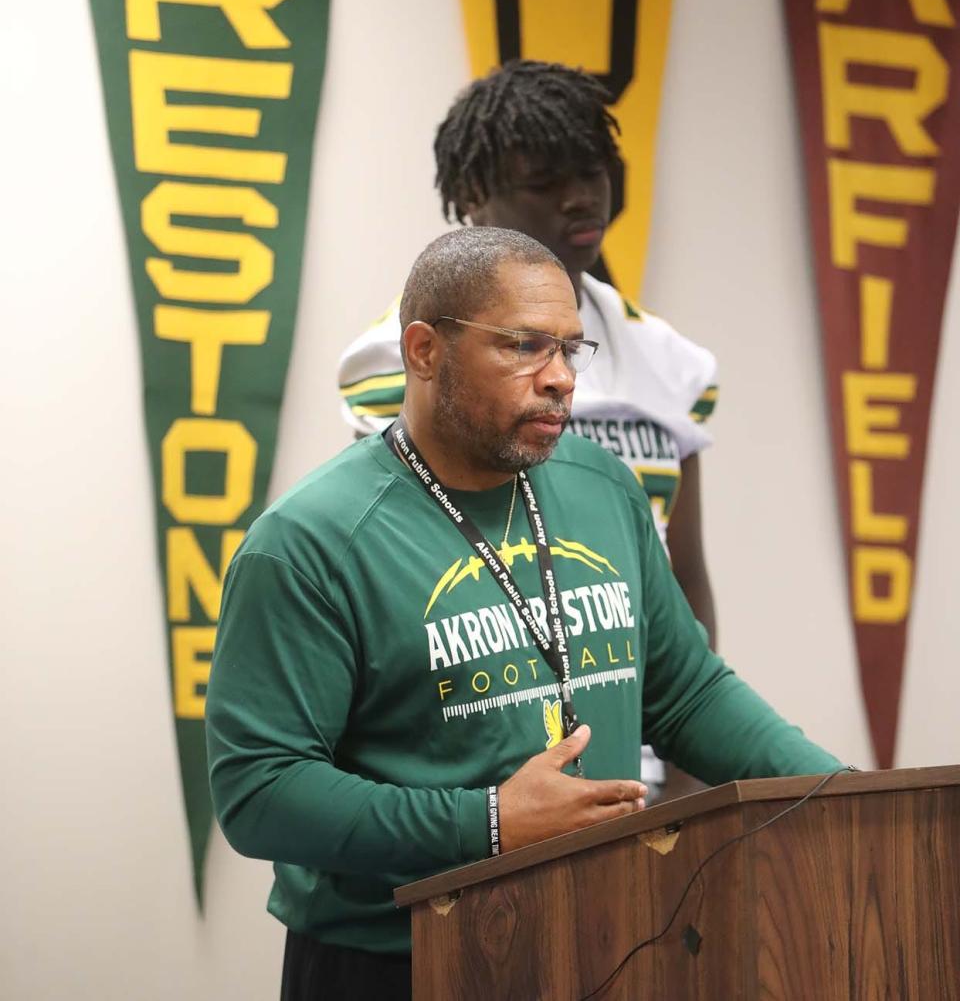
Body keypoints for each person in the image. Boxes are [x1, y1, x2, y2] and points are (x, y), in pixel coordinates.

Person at [207, 227, 844, 1001]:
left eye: (571, 350)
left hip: (605, 939)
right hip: (393, 964)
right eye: (524, 346)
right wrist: (489, 824)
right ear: (423, 352)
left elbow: (685, 693)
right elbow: (260, 792)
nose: (560, 379)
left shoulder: (603, 488)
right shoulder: (312, 542)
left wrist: (845, 801)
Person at [338, 59, 717, 800]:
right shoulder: (398, 359)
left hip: (636, 761)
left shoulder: (670, 363)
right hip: (484, 765)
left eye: (594, 172)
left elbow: (684, 572)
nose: (581, 198)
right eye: (545, 182)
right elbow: (402, 574)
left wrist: (689, 773)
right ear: (475, 196)